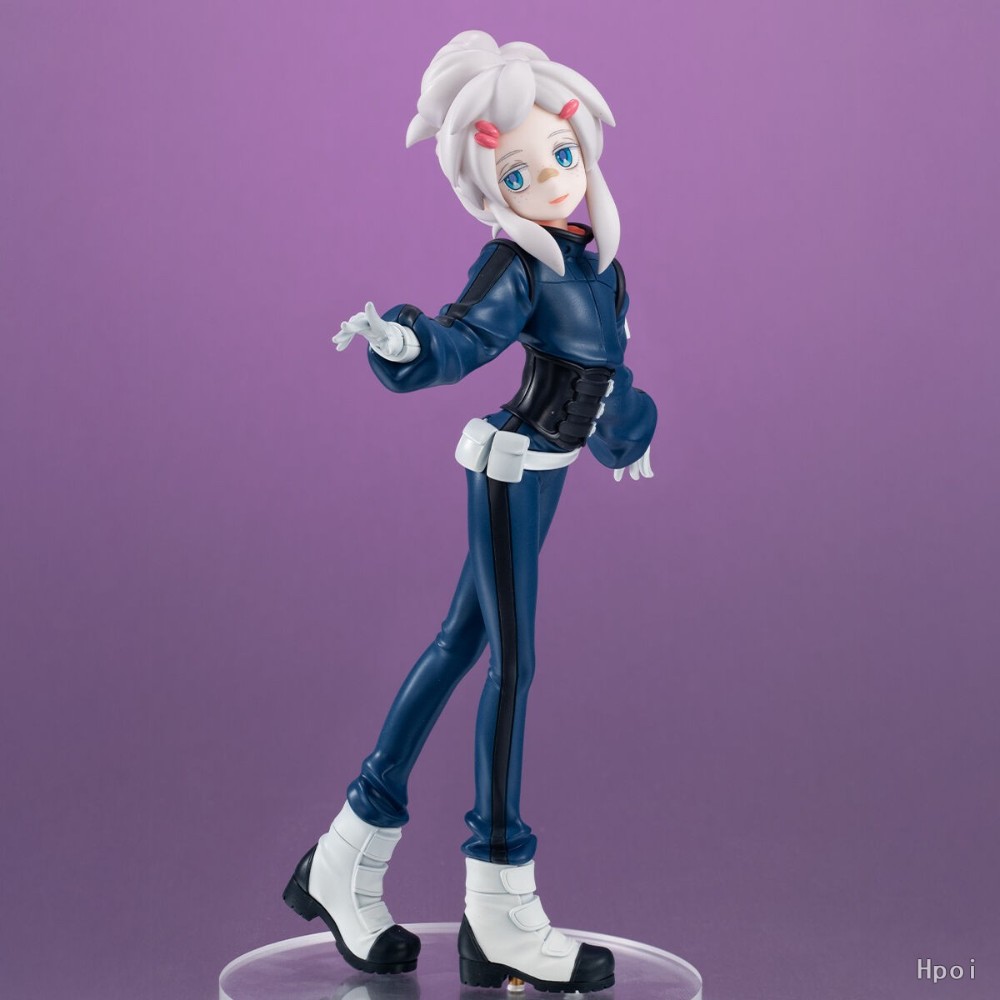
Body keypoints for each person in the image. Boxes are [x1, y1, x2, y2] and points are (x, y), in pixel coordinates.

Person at [283, 30, 656, 994]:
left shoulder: (600, 266)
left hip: (551, 471)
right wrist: (406, 342)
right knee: (512, 663)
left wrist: (629, 434)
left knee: (460, 644)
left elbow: (609, 377)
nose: (553, 180)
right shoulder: (516, 267)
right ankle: (499, 900)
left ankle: (344, 856)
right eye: (521, 171)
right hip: (509, 470)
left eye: (562, 155)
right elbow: (462, 338)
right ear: (492, 185)